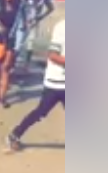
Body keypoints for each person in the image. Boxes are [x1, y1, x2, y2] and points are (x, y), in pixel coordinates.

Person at [5, 18, 65, 152]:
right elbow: (53, 55)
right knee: (40, 112)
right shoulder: (62, 28)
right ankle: (14, 135)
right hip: (55, 82)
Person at [0, 0, 23, 108]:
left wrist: (17, 46)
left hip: (10, 40)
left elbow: (21, 28)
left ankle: (3, 97)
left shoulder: (19, 8)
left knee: (5, 68)